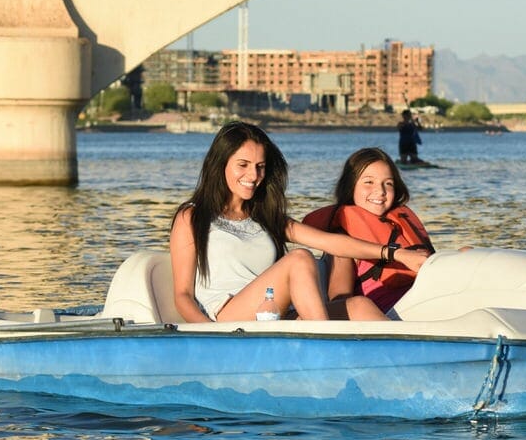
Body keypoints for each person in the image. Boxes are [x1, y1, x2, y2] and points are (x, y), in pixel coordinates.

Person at [169, 123, 429, 323]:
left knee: (360, 306)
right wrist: (212, 337)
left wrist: (397, 254)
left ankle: (402, 371)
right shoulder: (192, 217)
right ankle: (326, 352)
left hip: (274, 316)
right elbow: (182, 295)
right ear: (220, 164)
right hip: (228, 319)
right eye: (243, 165)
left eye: (260, 166)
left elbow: (333, 243)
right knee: (300, 258)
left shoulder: (266, 217)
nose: (253, 175)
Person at [304, 147, 436, 314]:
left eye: (388, 183)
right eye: (368, 182)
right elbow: (341, 301)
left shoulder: (401, 222)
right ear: (350, 186)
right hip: (390, 316)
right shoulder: (341, 242)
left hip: (427, 300)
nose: (380, 191)